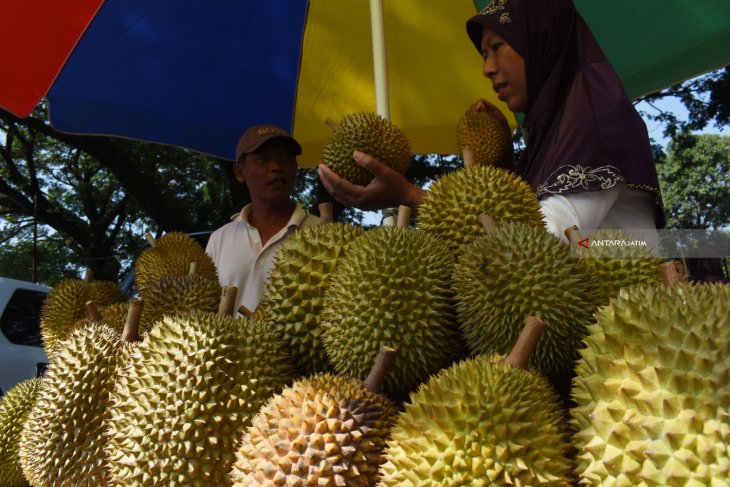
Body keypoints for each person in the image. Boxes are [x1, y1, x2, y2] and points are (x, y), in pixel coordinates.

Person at [318, 0, 664, 248]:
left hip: (625, 334)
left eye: (497, 47)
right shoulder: (554, 131)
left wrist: (410, 195)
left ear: (542, 41)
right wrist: (508, 165)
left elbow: (543, 241)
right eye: (484, 54)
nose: (487, 68)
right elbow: (526, 216)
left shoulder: (598, 119)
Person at [206, 124, 319, 314]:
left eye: (286, 158)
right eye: (263, 158)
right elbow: (206, 309)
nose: (276, 167)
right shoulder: (219, 239)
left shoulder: (323, 232)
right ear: (239, 172)